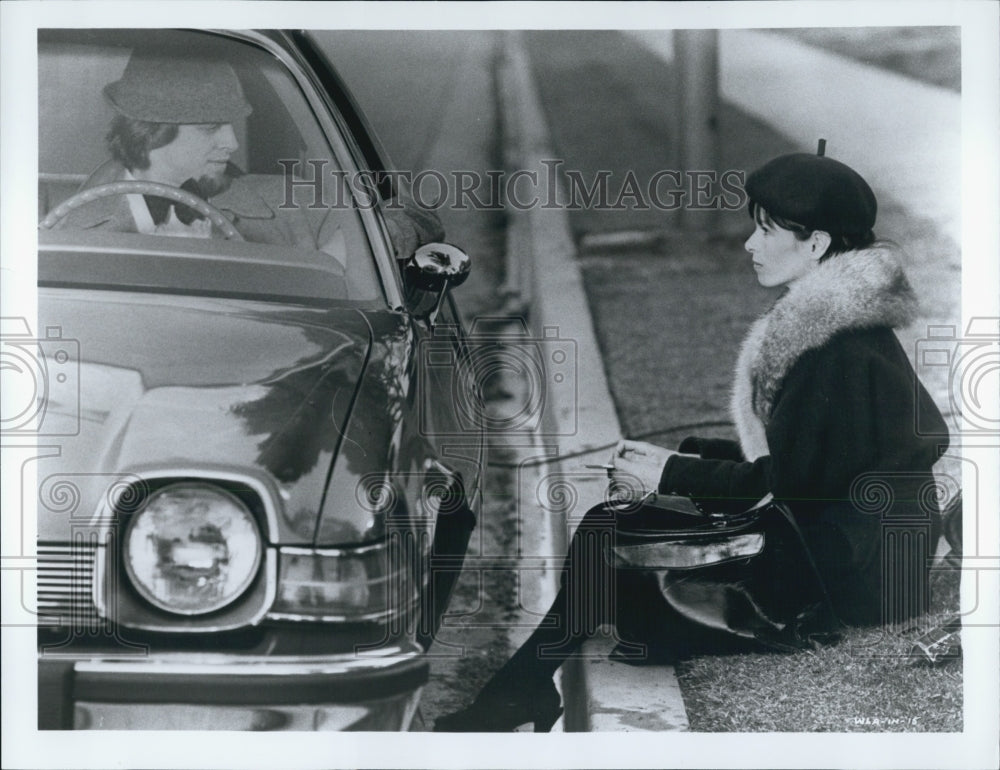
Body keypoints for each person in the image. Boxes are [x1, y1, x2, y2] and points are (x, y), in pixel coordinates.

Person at [434, 149, 949, 732]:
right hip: (857, 555)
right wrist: (691, 457)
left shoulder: (835, 349)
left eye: (765, 229)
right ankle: (520, 688)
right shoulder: (844, 328)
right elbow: (818, 467)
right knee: (617, 541)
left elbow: (788, 487)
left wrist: (670, 475)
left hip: (847, 581)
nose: (750, 243)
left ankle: (518, 692)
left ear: (816, 245)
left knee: (613, 538)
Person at [57, 49, 443, 259]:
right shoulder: (67, 238)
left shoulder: (282, 201)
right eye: (210, 128)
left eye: (230, 125)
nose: (232, 143)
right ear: (152, 132)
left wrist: (355, 251)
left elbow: (413, 214)